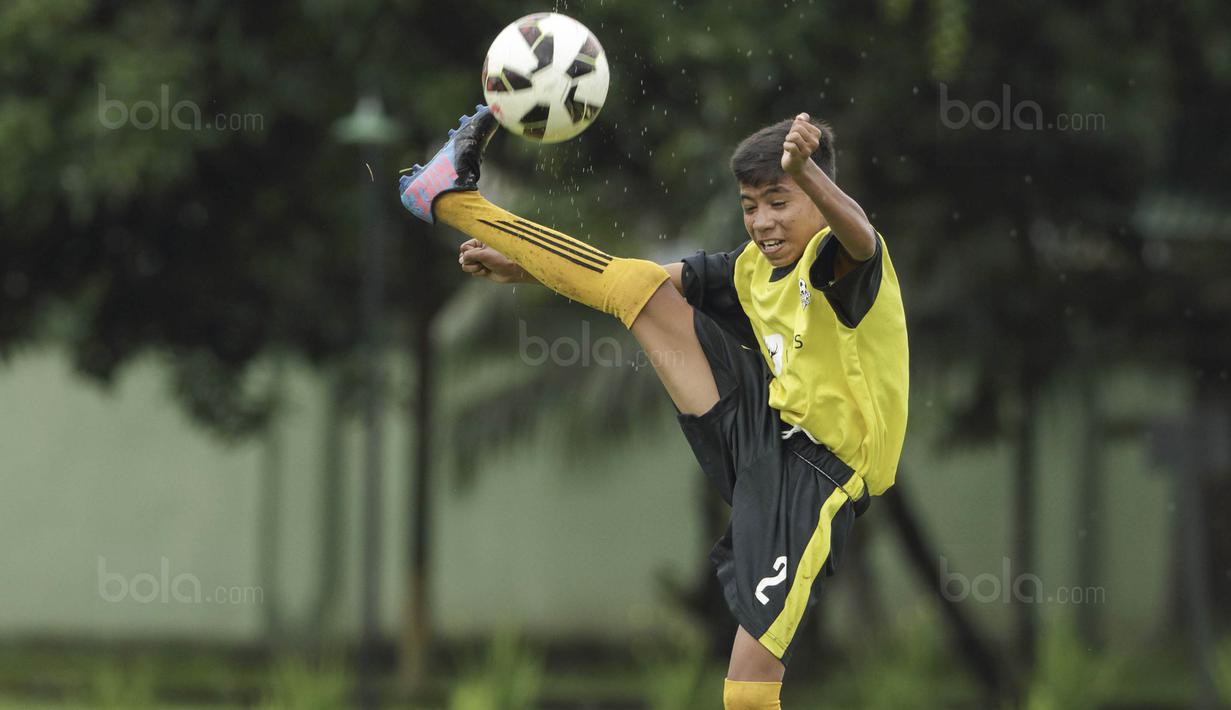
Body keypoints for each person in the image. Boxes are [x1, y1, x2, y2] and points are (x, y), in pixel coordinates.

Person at [398, 105, 908, 709]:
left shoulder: (838, 258)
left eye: (780, 201)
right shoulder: (750, 269)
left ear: (817, 197)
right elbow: (625, 278)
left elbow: (861, 237)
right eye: (750, 206)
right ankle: (453, 199)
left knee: (749, 688)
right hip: (762, 430)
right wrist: (526, 267)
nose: (762, 221)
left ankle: (452, 201)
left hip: (815, 477)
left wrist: (810, 174)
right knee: (639, 290)